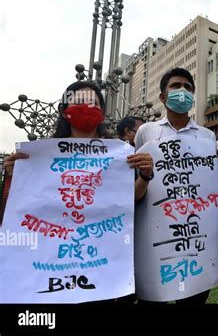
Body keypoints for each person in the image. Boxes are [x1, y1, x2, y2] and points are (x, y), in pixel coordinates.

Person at [2, 80, 153, 304]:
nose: (88, 107)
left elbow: (133, 196)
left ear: (102, 112)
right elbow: (18, 207)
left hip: (101, 263)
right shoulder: (42, 154)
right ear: (65, 111)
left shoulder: (119, 154)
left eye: (94, 103)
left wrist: (145, 175)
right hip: (50, 264)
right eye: (81, 102)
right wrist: (14, 175)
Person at [134, 67, 215, 305]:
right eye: (176, 86)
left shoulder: (207, 136)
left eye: (188, 88)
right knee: (152, 297)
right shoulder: (146, 131)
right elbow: (137, 174)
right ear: (162, 97)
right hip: (153, 231)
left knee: (193, 296)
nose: (183, 92)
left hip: (194, 232)